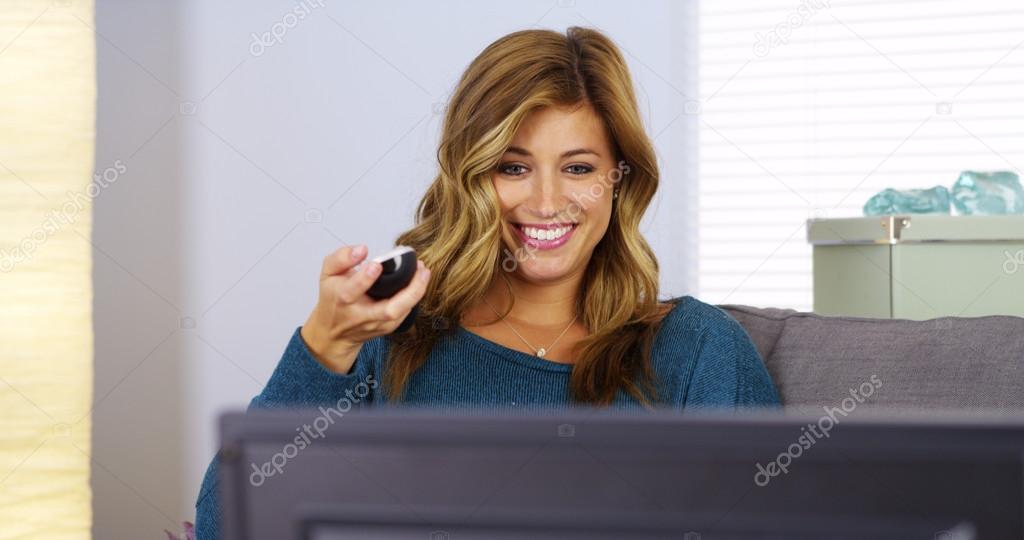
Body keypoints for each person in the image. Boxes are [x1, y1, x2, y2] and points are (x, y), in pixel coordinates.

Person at [193, 25, 780, 539]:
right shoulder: (387, 342)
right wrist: (325, 345)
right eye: (513, 167)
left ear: (619, 180)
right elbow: (230, 530)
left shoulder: (700, 351)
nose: (547, 202)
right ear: (470, 176)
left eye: (579, 168)